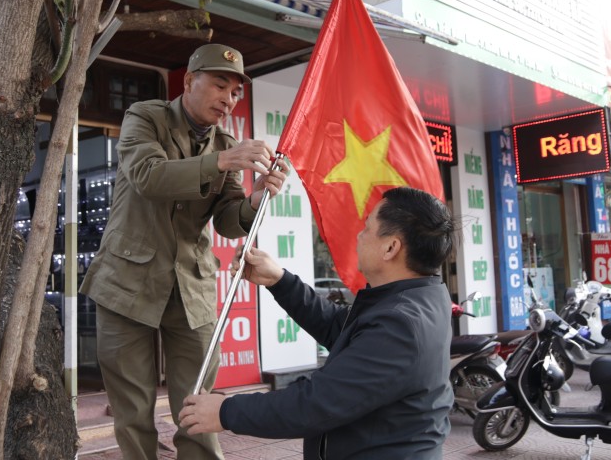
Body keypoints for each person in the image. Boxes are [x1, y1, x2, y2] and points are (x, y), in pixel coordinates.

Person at [79, 43, 289, 460]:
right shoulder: (145, 117)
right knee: (132, 412)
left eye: (234, 93)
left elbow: (228, 221)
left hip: (190, 287)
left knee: (198, 408)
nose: (228, 99)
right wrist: (223, 162)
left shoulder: (224, 141)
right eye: (219, 85)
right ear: (189, 81)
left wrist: (255, 198)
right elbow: (147, 176)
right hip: (126, 284)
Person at [179, 187, 455, 460]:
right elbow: (340, 329)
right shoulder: (417, 298)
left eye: (367, 228)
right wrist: (280, 281)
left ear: (391, 247)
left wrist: (225, 412)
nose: (359, 235)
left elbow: (316, 403)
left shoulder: (402, 323)